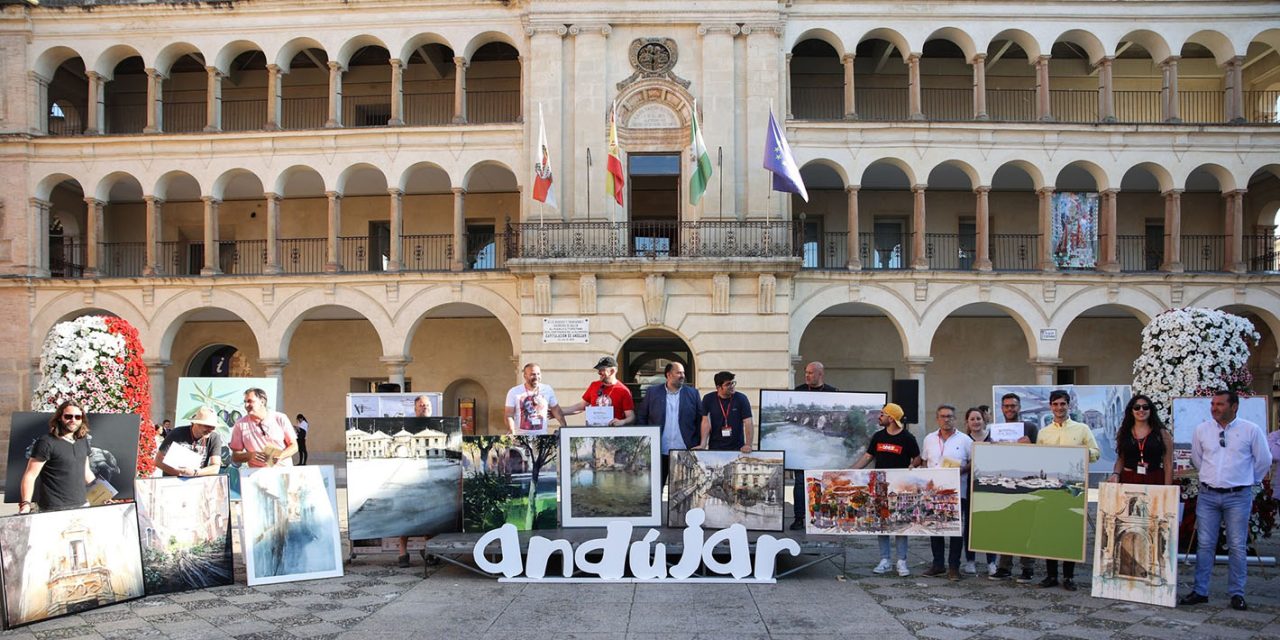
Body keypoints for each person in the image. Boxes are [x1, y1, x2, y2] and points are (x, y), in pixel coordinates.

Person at [1180, 390, 1272, 611]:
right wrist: (1211, 477)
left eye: (1220, 404)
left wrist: (1249, 480)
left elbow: (1264, 459)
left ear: (1234, 407)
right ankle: (1200, 591)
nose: (1214, 408)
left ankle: (1237, 593)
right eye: (1212, 404)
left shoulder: (1251, 430)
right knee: (1205, 544)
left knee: (1237, 545)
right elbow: (1197, 458)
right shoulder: (1202, 429)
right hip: (1209, 494)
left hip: (1237, 496)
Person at [1035, 389, 1100, 591]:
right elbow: (1037, 459)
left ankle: (1069, 577)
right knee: (1050, 530)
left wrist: (1080, 453)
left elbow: (1096, 453)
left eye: (1063, 404)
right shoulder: (1044, 433)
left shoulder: (1082, 429)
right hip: (1051, 487)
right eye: (1055, 404)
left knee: (1070, 530)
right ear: (1050, 406)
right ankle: (1051, 575)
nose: (1059, 408)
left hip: (1074, 487)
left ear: (1068, 406)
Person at [850, 403, 920, 577]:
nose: (879, 417)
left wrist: (912, 465)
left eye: (882, 414)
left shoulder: (907, 438)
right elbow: (868, 456)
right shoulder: (878, 436)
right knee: (882, 524)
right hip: (880, 486)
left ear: (891, 418)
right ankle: (885, 560)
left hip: (900, 487)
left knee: (900, 524)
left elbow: (917, 457)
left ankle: (902, 561)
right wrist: (850, 471)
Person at [914, 404, 973, 581]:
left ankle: (954, 567)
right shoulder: (929, 439)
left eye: (950, 416)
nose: (946, 419)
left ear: (955, 418)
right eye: (943, 416)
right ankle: (937, 564)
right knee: (935, 528)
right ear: (937, 419)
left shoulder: (965, 440)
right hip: (933, 493)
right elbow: (925, 462)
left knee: (956, 530)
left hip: (956, 491)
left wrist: (962, 470)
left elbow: (973, 461)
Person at [990, 392, 1039, 581]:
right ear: (1002, 408)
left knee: (1026, 526)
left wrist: (1031, 445)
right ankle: (1004, 566)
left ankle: (1028, 567)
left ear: (1019, 408)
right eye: (1006, 406)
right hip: (1003, 482)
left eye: (1013, 406)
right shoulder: (995, 429)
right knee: (1005, 525)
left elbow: (1042, 453)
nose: (1010, 409)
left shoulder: (1031, 427)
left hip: (1026, 482)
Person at [18, 400, 95, 513]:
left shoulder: (83, 441)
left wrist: (105, 495)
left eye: (77, 417)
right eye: (68, 416)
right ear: (59, 417)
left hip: (82, 506)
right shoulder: (46, 442)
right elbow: (30, 476)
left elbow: (87, 473)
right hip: (53, 509)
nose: (73, 420)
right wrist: (25, 504)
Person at [635, 362, 703, 485]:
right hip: (659, 450)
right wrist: (646, 440)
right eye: (678, 373)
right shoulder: (653, 393)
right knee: (655, 490)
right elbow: (642, 416)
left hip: (684, 451)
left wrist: (699, 442)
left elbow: (701, 420)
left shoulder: (693, 393)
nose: (682, 375)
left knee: (681, 490)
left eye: (683, 373)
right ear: (668, 375)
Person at [790, 361, 838, 530]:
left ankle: (822, 516)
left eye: (811, 373)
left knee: (823, 481)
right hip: (803, 444)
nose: (807, 376)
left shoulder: (832, 392)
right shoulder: (799, 391)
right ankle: (799, 517)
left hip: (821, 444)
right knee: (799, 483)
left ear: (820, 374)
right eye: (806, 373)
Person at [961, 407, 998, 576]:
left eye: (978, 418)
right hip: (969, 487)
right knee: (969, 525)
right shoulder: (964, 440)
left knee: (989, 524)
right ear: (967, 422)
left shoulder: (994, 438)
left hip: (990, 486)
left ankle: (991, 561)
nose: (976, 422)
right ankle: (970, 560)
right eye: (972, 419)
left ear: (984, 420)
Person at [1108, 395, 1173, 486]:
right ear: (1131, 411)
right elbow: (1121, 458)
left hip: (1154, 479)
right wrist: (1116, 474)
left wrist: (1168, 490)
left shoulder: (1162, 434)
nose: (1141, 410)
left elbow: (1168, 464)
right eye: (1137, 407)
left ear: (1151, 410)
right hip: (1129, 479)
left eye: (1145, 407)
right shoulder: (1123, 433)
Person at [229, 387, 298, 468]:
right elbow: (235, 456)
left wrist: (281, 456)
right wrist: (250, 455)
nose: (246, 405)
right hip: (257, 476)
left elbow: (294, 446)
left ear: (262, 401)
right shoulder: (240, 424)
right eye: (245, 402)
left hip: (283, 473)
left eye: (250, 401)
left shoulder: (280, 418)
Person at [562, 356, 635, 426]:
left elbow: (631, 417)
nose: (599, 372)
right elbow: (581, 406)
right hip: (595, 434)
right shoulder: (594, 385)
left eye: (602, 370)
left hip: (613, 435)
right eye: (598, 370)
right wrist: (559, 412)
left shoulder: (623, 391)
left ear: (612, 371)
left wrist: (622, 422)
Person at [157, 406, 224, 477]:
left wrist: (195, 473)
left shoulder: (214, 438)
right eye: (207, 426)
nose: (210, 430)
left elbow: (215, 467)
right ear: (196, 423)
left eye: (213, 427)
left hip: (195, 483)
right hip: (173, 483)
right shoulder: (176, 433)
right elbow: (158, 461)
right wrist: (181, 474)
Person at [504, 363, 568, 434]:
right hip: (521, 437)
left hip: (542, 437)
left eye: (538, 374)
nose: (536, 377)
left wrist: (564, 428)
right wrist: (512, 433)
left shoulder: (547, 389)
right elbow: (508, 415)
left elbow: (556, 410)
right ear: (525, 376)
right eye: (533, 374)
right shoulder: (514, 392)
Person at [698, 371, 753, 453]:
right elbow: (706, 422)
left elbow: (748, 422)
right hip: (715, 448)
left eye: (732, 383)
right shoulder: (708, 399)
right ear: (718, 387)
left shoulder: (741, 398)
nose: (732, 386)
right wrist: (703, 444)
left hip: (737, 449)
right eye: (728, 384)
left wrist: (748, 444)